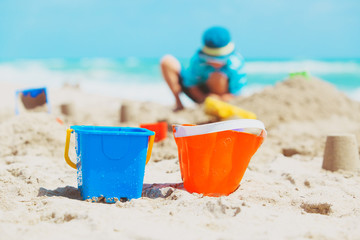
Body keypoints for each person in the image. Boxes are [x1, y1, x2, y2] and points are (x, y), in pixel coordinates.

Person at [160, 26, 247, 111]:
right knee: (167, 61)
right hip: (200, 94)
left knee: (217, 76)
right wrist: (202, 98)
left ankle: (216, 106)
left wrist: (218, 98)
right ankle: (179, 104)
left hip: (221, 97)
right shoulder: (198, 60)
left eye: (221, 60)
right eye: (212, 59)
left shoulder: (235, 64)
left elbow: (236, 93)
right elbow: (190, 83)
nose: (216, 64)